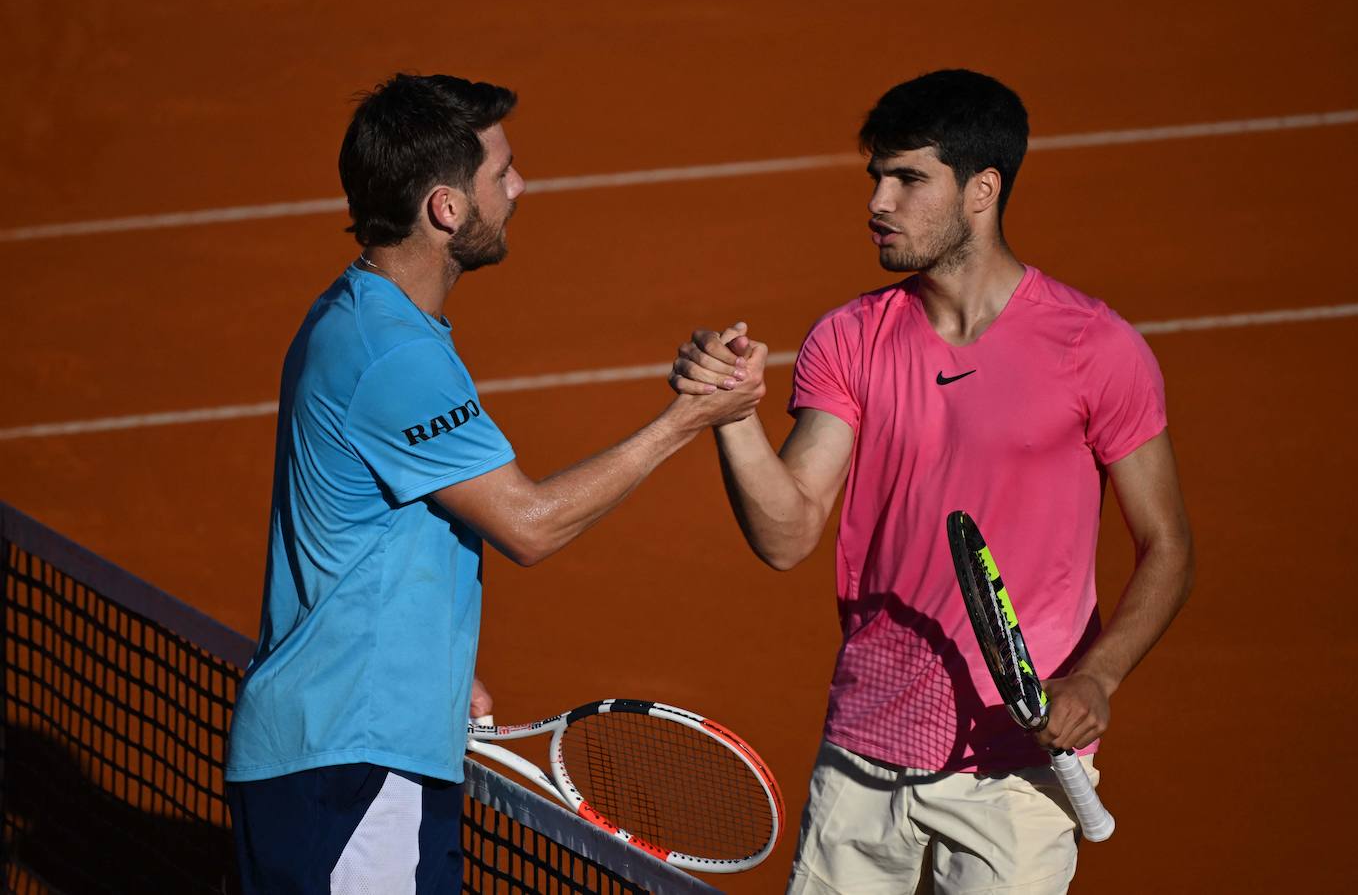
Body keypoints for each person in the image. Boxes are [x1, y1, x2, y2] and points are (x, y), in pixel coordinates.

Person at [224, 73, 762, 895]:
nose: (520, 187)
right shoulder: (396, 355)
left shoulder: (361, 315)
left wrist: (438, 668)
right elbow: (530, 524)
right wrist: (682, 423)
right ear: (446, 209)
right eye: (500, 173)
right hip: (353, 766)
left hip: (356, 748)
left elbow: (377, 527)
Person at [669, 69, 1194, 893]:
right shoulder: (849, 338)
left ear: (982, 189)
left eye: (908, 178)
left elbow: (1166, 546)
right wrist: (732, 418)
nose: (878, 201)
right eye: (876, 176)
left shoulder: (1097, 348)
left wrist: (1100, 675)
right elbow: (788, 532)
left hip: (1017, 772)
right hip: (863, 754)